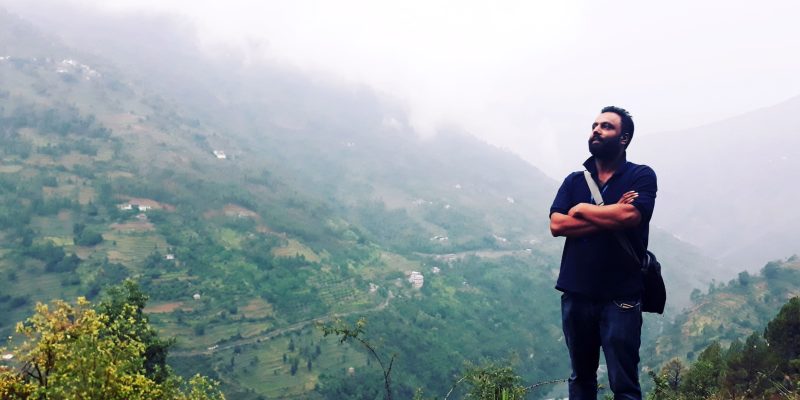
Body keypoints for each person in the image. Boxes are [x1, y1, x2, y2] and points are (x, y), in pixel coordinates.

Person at [549, 106, 657, 400]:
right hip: (576, 294)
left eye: (606, 126)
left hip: (621, 297)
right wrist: (609, 214)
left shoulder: (641, 176)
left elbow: (630, 217)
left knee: (624, 383)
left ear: (624, 138)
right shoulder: (574, 180)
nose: (596, 130)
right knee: (581, 379)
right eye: (594, 125)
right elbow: (557, 225)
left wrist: (583, 209)